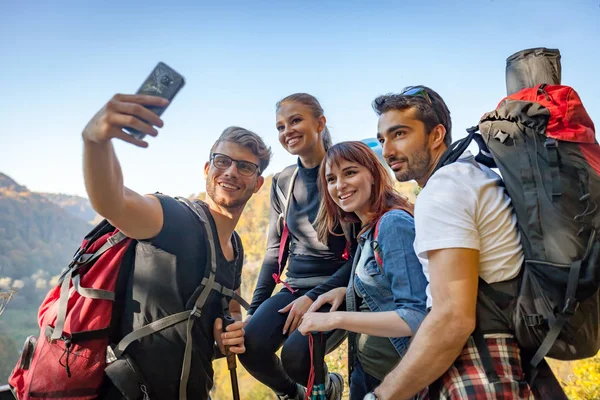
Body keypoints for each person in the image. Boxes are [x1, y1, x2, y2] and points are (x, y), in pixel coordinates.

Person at [81, 93, 271, 399]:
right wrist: (95, 141)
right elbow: (112, 200)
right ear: (207, 169)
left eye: (245, 167)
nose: (231, 172)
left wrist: (227, 333)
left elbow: (228, 310)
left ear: (258, 183)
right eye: (222, 161)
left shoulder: (235, 248)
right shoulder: (172, 217)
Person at [368, 86, 532, 399]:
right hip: (495, 357)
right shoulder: (472, 174)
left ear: (436, 135)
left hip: (480, 366)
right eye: (382, 139)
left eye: (399, 133)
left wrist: (382, 395)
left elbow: (453, 318)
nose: (387, 150)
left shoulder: (445, 189)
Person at [239, 93, 354, 400]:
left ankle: (330, 388)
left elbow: (361, 255)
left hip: (337, 290)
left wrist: (313, 298)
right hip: (294, 288)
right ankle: (293, 395)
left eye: (295, 120)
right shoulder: (283, 181)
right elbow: (274, 252)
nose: (287, 130)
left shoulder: (343, 173)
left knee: (296, 356)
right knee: (249, 347)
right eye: (280, 126)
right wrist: (254, 309)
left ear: (320, 123)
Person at [298, 141, 428, 400]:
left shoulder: (393, 224)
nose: (340, 185)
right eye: (331, 179)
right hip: (368, 373)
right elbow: (384, 285)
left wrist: (334, 319)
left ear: (373, 173)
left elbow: (414, 316)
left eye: (349, 173)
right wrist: (348, 290)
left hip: (398, 383)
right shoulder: (368, 230)